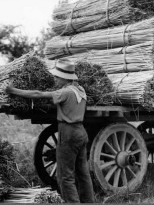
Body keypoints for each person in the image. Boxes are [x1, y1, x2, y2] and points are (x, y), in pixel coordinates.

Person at [6, 58, 95, 203]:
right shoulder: (81, 90)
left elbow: (37, 94)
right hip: (81, 132)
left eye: (57, 77)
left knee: (65, 176)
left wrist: (13, 90)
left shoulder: (64, 92)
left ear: (64, 78)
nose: (55, 79)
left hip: (68, 134)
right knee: (83, 174)